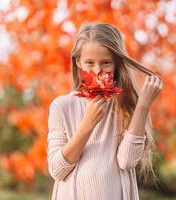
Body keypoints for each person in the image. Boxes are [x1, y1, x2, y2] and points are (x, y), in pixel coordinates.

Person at [47, 22, 163, 200]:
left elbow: (127, 161)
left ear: (117, 63)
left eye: (106, 63)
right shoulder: (61, 106)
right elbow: (57, 170)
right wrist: (88, 123)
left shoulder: (126, 104)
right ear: (78, 62)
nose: (97, 71)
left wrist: (143, 105)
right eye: (89, 63)